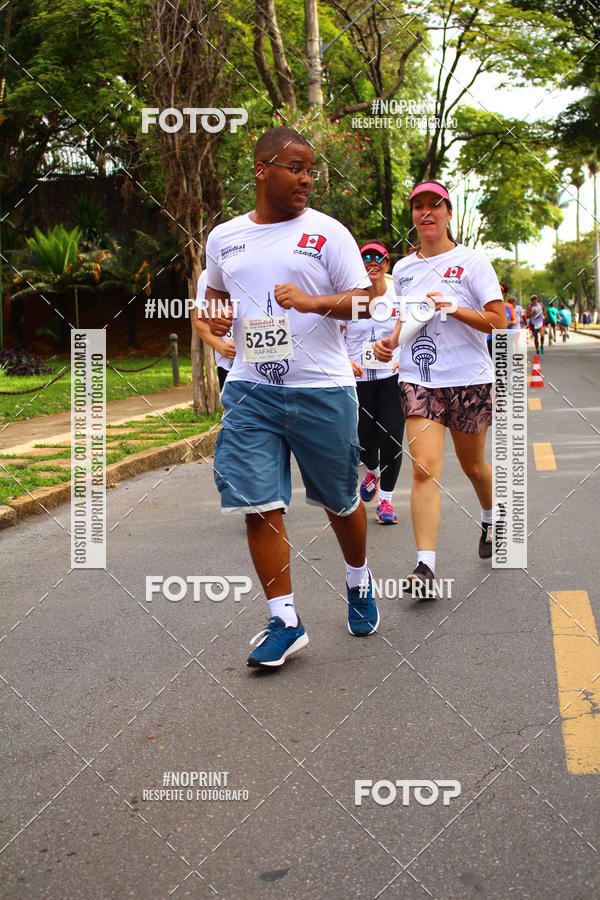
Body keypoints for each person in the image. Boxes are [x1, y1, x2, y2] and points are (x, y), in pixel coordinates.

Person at [205, 127, 380, 669]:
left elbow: (366, 304)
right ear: (261, 169)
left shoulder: (328, 234)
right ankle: (285, 619)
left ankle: (358, 579)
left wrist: (310, 301)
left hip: (321, 389)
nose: (306, 178)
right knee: (259, 502)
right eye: (295, 167)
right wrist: (213, 324)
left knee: (341, 501)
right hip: (251, 388)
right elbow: (212, 296)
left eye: (311, 170)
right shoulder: (224, 238)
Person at [374, 180, 507, 588]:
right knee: (424, 469)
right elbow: (407, 316)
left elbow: (499, 320)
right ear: (412, 215)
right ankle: (426, 567)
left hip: (469, 379)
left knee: (472, 466)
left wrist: (455, 308)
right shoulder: (404, 268)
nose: (426, 213)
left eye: (435, 205)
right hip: (420, 380)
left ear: (449, 213)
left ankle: (490, 517)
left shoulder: (473, 262)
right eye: (418, 207)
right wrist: (390, 343)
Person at [340, 240, 405, 525]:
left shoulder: (397, 297)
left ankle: (386, 501)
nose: (372, 262)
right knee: (364, 440)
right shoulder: (350, 300)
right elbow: (333, 336)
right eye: (366, 257)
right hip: (360, 380)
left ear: (387, 263)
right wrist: (346, 361)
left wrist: (405, 359)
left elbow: (413, 330)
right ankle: (373, 471)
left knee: (392, 437)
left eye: (378, 257)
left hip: (392, 378)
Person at [192, 269, 236, 390]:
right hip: (230, 367)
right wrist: (221, 346)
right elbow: (199, 321)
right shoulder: (209, 275)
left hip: (273, 362)